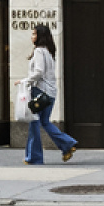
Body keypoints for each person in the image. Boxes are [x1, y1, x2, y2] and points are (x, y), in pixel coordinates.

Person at [23, 24, 77, 166]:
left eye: (34, 34)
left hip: (40, 92)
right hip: (50, 92)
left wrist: (25, 81)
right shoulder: (49, 51)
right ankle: (67, 144)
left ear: (40, 36)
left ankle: (34, 157)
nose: (32, 37)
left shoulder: (40, 51)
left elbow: (39, 71)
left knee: (34, 123)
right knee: (44, 121)